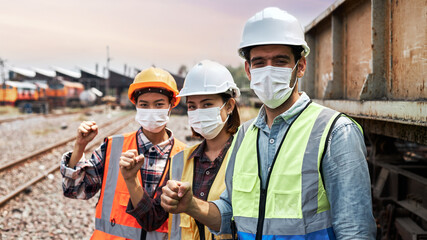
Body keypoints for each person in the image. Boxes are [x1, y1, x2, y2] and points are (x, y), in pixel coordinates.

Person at [160, 7, 377, 240]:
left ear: (300, 66)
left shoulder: (335, 132)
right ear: (248, 70)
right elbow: (228, 215)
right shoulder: (245, 134)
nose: (268, 70)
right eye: (260, 62)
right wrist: (192, 205)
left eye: (280, 61)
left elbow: (356, 232)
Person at [60, 67, 186, 240]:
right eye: (144, 104)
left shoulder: (185, 156)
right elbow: (75, 190)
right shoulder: (114, 146)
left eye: (159, 104)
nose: (151, 110)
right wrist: (80, 146)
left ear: (171, 105)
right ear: (136, 106)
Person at [126, 60, 241, 240]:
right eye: (192, 106)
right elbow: (152, 220)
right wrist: (131, 180)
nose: (198, 111)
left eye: (207, 104)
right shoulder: (181, 160)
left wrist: (192, 205)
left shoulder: (246, 154)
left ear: (229, 105)